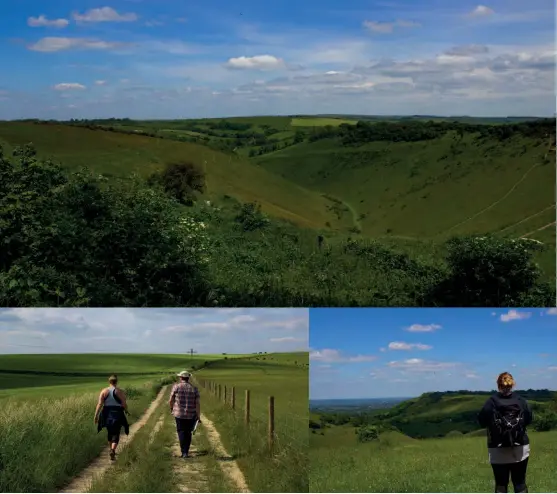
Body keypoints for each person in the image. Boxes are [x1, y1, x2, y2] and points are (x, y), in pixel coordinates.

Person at [478, 372, 533, 493]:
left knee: (501, 485)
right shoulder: (521, 401)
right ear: (512, 384)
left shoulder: (491, 402)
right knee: (520, 483)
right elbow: (529, 420)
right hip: (520, 447)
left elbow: (481, 421)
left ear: (498, 385)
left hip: (497, 449)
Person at [94, 374, 130, 461]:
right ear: (116, 382)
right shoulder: (119, 391)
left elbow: (99, 404)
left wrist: (96, 415)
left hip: (106, 414)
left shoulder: (104, 391)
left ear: (109, 381)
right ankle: (113, 450)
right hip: (117, 413)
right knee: (116, 432)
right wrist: (126, 410)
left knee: (110, 432)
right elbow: (124, 403)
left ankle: (111, 449)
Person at [169, 371, 201, 459]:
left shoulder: (176, 387)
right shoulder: (194, 388)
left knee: (181, 431)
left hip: (179, 414)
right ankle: (186, 450)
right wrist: (198, 415)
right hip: (191, 414)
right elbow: (197, 403)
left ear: (180, 378)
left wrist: (171, 408)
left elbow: (171, 400)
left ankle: (184, 452)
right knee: (188, 432)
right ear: (188, 378)